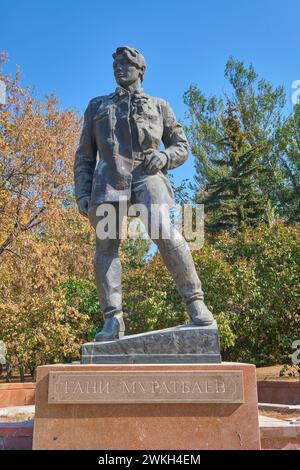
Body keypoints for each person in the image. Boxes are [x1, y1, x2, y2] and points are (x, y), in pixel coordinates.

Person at [74, 46, 214, 341]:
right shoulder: (97, 106)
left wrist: (165, 158)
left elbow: (182, 145)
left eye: (126, 64)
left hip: (148, 177)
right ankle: (113, 320)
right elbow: (84, 156)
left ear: (141, 71)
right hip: (109, 183)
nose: (120, 69)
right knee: (107, 248)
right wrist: (82, 194)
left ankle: (196, 303)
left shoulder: (159, 105)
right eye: (116, 65)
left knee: (164, 231)